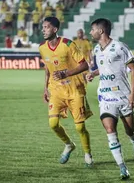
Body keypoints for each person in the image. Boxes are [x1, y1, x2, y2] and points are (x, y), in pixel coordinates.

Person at [86, 18, 134, 180]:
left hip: (123, 96)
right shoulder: (97, 49)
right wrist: (93, 73)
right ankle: (123, 168)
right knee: (110, 131)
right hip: (105, 98)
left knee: (130, 131)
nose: (90, 32)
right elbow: (104, 68)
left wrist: (133, 94)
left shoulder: (120, 47)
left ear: (101, 31)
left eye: (92, 29)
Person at [39, 16, 93, 167]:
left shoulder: (68, 44)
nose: (43, 30)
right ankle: (69, 145)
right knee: (53, 123)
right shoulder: (42, 47)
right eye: (43, 27)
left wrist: (66, 74)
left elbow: (85, 65)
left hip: (74, 88)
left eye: (47, 27)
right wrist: (45, 88)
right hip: (56, 90)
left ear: (55, 29)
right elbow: (47, 68)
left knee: (80, 127)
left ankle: (88, 153)